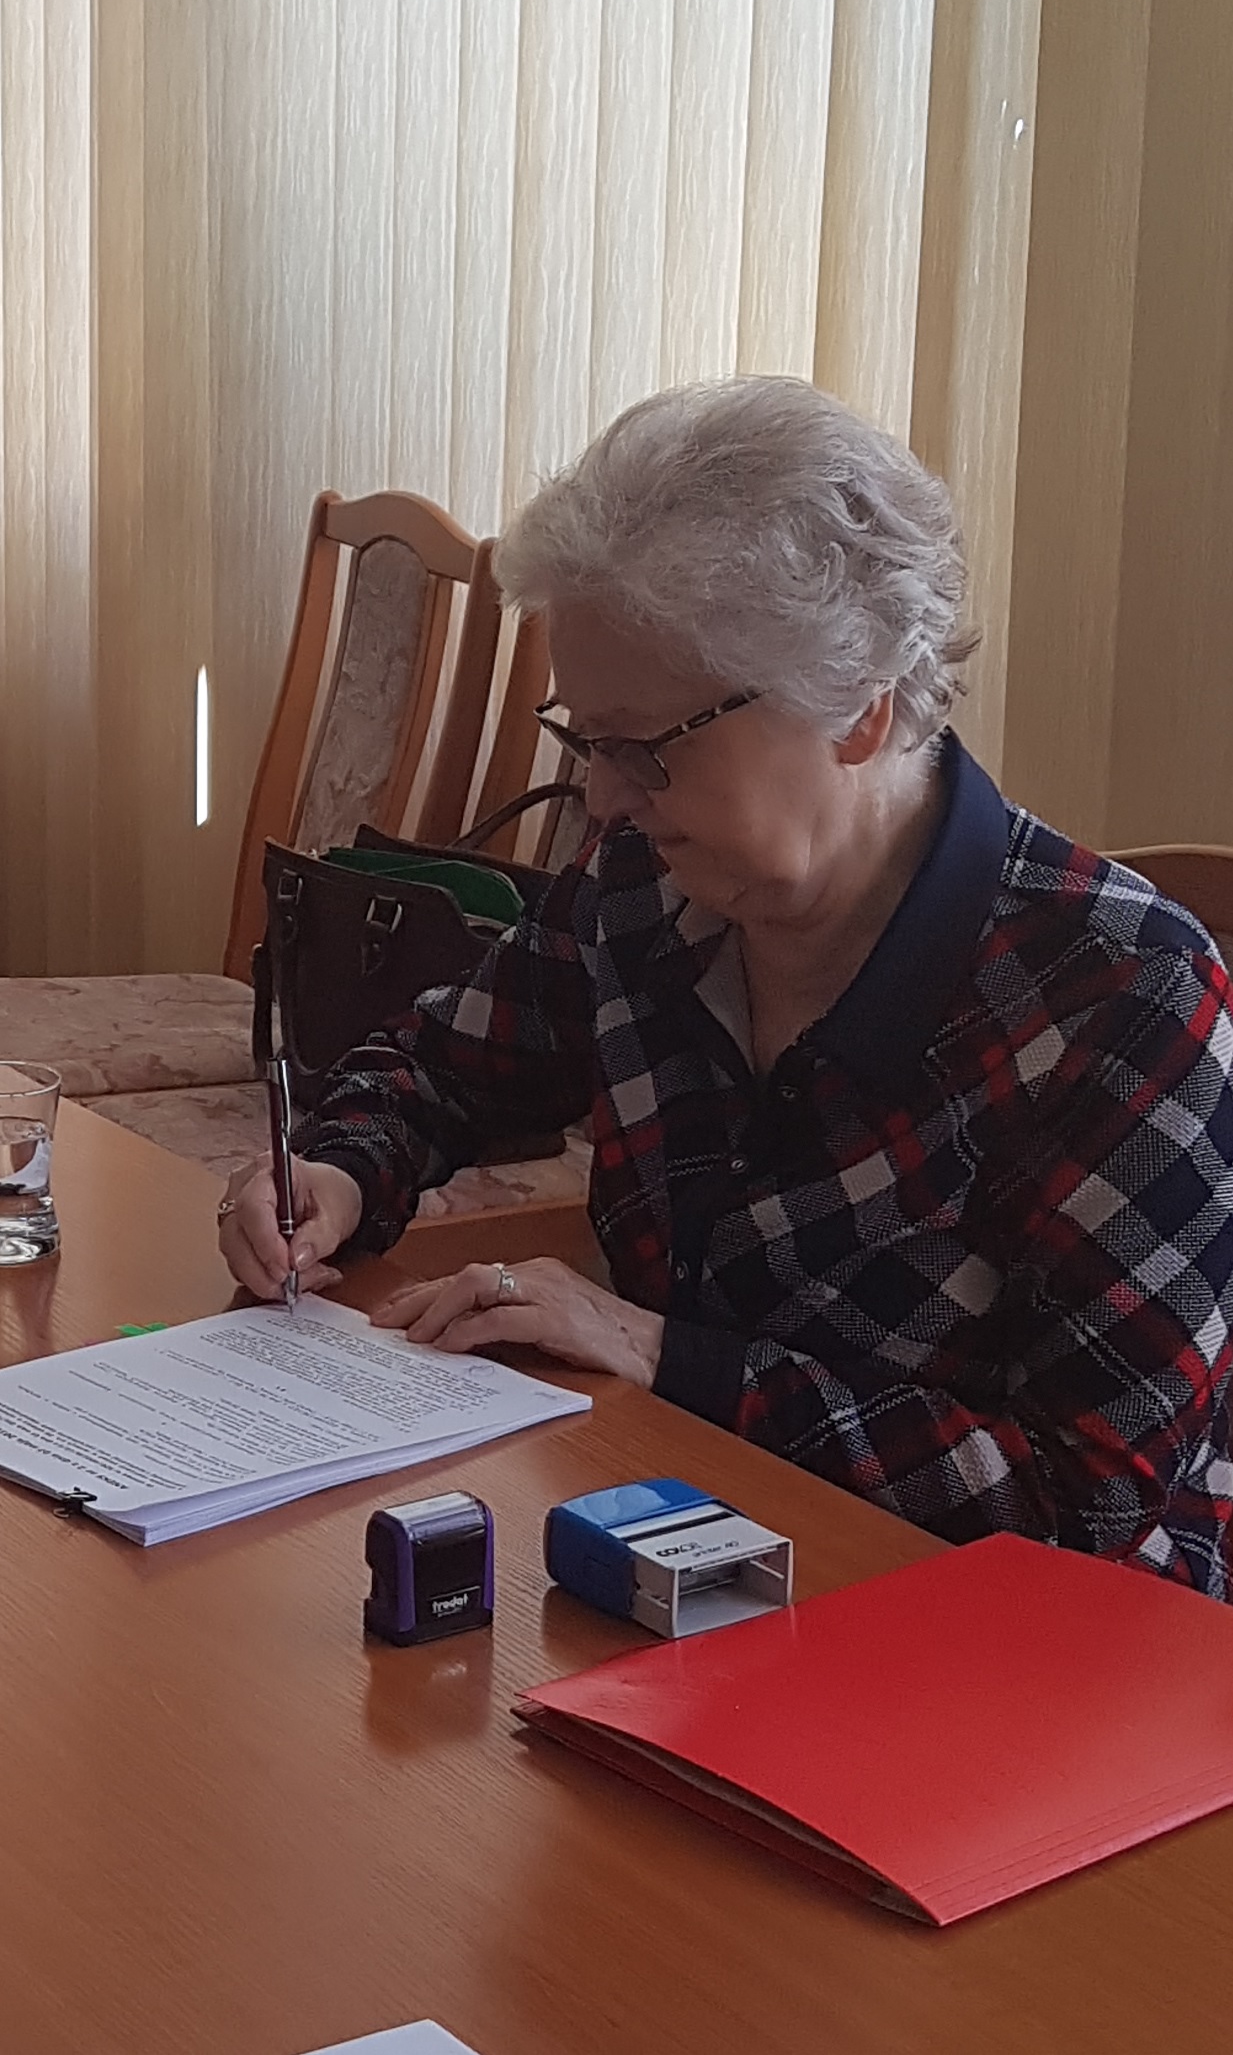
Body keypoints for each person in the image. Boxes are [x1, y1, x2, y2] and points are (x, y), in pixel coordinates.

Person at [217, 377, 1233, 1591]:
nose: (602, 798)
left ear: (857, 708)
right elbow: (442, 1069)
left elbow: (1082, 1499)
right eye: (584, 740)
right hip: (692, 1546)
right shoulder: (646, 884)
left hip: (1023, 1647)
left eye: (643, 748)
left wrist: (665, 1354)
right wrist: (337, 1172)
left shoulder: (1124, 995)